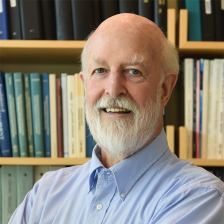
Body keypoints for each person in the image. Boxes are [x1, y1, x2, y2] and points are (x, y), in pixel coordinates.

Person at [9, 14, 224, 224]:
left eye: (133, 71)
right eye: (100, 70)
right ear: (85, 84)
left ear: (165, 88)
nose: (113, 90)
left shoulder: (199, 196)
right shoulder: (45, 193)